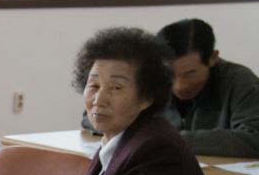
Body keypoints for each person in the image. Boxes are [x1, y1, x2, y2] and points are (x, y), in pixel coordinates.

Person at [0, 27, 217, 175]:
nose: (99, 99)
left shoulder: (157, 148)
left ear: (147, 97)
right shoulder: (119, 136)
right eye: (94, 85)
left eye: (116, 88)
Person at [80, 18, 259, 157]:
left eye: (190, 73)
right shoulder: (152, 78)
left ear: (212, 58)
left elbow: (254, 138)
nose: (179, 85)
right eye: (171, 75)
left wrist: (163, 139)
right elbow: (92, 118)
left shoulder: (240, 81)